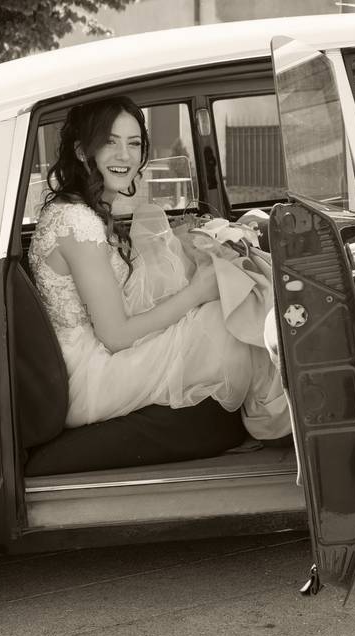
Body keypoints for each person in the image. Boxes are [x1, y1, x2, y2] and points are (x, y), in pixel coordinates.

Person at [28, 96, 289, 440]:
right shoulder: (77, 223)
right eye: (110, 142)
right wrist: (196, 292)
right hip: (90, 377)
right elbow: (117, 337)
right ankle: (286, 432)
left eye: (133, 143)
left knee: (219, 297)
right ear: (82, 151)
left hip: (95, 352)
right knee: (227, 327)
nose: (125, 155)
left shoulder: (80, 211)